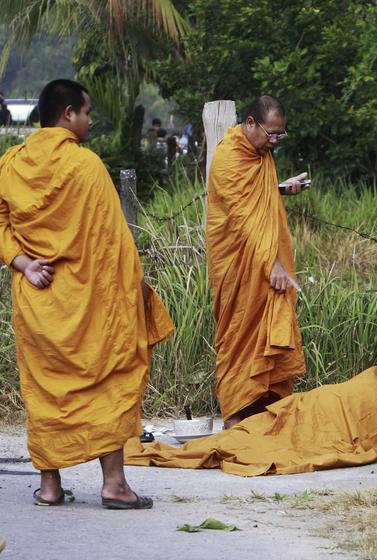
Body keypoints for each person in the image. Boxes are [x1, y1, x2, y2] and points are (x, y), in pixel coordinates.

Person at [0, 79, 174, 509]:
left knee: (45, 392)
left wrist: (21, 262)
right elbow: (114, 245)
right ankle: (114, 484)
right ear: (67, 115)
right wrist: (137, 294)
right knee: (106, 381)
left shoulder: (11, 164)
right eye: (87, 112)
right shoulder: (86, 166)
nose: (91, 120)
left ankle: (50, 486)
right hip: (87, 304)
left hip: (37, 299)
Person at [125, 361, 377, 475]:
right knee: (299, 411)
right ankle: (235, 436)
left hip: (357, 406)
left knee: (296, 425)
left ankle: (232, 438)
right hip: (354, 395)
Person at [207, 95, 310, 429]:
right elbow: (240, 217)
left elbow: (256, 195)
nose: (275, 141)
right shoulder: (228, 156)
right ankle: (235, 418)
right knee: (238, 337)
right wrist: (272, 265)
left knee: (267, 337)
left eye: (281, 135)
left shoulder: (260, 154)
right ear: (249, 123)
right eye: (270, 134)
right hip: (237, 266)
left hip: (263, 264)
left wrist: (280, 187)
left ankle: (264, 414)